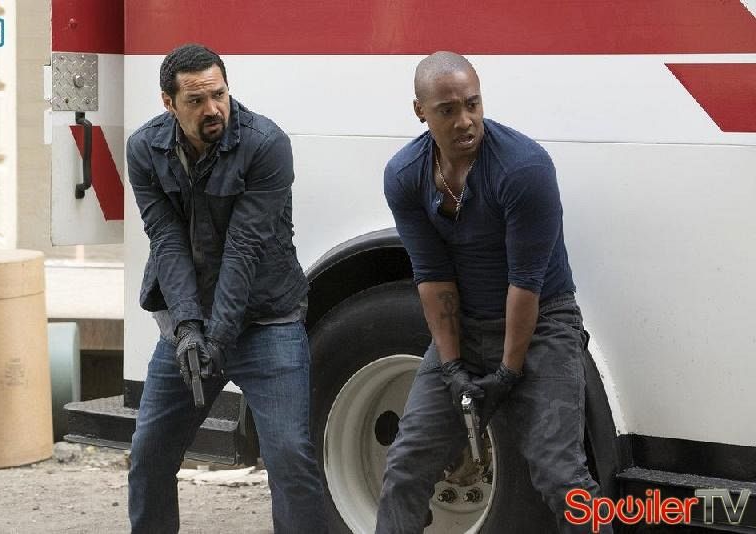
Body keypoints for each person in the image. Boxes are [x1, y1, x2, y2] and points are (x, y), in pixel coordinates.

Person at [375, 51, 610, 534]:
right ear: (420, 111)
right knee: (405, 466)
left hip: (542, 323)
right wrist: (452, 367)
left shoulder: (524, 168)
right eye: (447, 110)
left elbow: (526, 283)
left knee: (561, 475)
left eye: (472, 104)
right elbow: (432, 277)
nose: (465, 121)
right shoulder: (405, 175)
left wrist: (506, 373)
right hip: (465, 325)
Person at [125, 43, 326, 534]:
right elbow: (165, 239)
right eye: (196, 101)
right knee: (149, 455)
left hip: (266, 321)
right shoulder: (144, 148)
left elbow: (244, 247)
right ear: (169, 103)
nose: (213, 109)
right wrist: (188, 329)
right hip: (189, 322)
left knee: (290, 460)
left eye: (219, 95)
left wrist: (217, 335)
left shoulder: (266, 144)